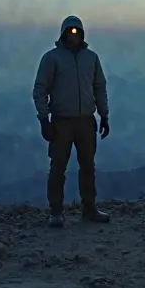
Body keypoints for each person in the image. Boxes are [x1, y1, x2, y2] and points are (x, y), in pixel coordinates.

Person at [33, 16, 112, 227]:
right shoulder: (52, 59)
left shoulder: (91, 58)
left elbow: (99, 87)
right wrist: (44, 119)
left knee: (88, 166)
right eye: (70, 31)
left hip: (87, 120)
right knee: (58, 166)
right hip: (62, 122)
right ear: (63, 33)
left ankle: (89, 208)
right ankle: (56, 211)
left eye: (77, 31)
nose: (74, 35)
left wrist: (104, 115)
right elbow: (40, 89)